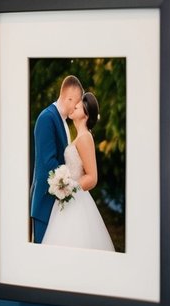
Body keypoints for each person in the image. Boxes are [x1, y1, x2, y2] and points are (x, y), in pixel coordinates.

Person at [41, 91, 115, 250]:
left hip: (76, 201)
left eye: (79, 106)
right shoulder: (79, 137)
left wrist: (68, 187)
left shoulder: (85, 138)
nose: (74, 107)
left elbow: (92, 177)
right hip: (69, 199)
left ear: (86, 115)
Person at [30, 74, 83, 243]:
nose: (76, 108)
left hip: (56, 202)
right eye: (76, 103)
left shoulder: (60, 120)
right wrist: (70, 184)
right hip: (46, 202)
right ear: (69, 98)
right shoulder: (47, 118)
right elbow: (49, 163)